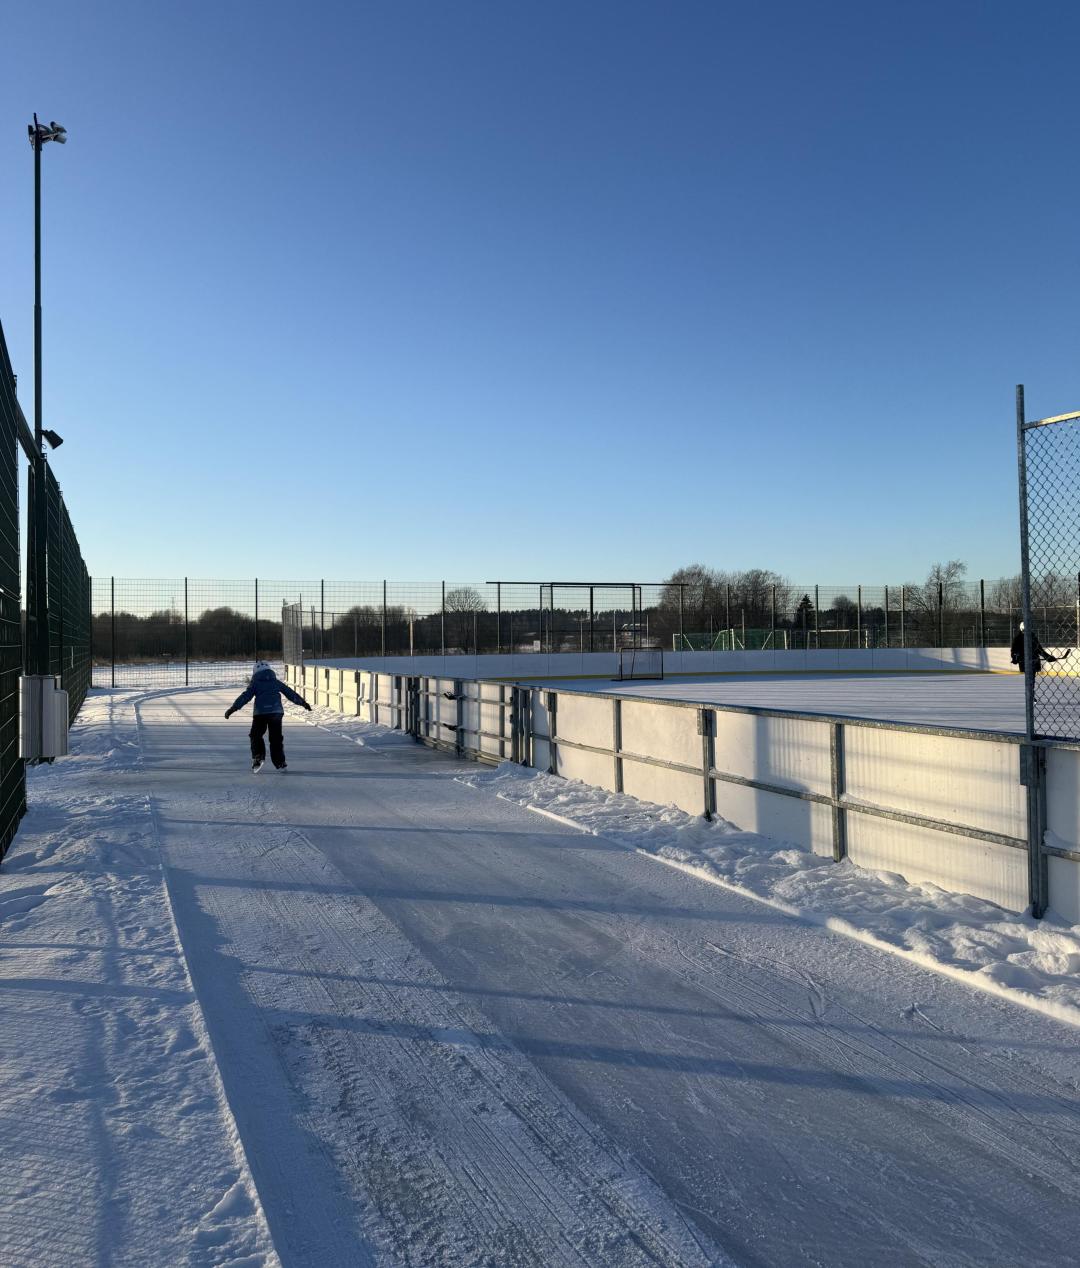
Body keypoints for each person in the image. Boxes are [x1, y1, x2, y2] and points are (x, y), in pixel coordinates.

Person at [225, 660, 312, 772]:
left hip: (260, 713)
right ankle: (280, 763)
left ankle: (258, 757)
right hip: (276, 712)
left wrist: (233, 708)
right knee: (276, 738)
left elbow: (245, 696)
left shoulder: (255, 683)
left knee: (256, 735)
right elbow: (290, 693)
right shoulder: (276, 682)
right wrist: (303, 703)